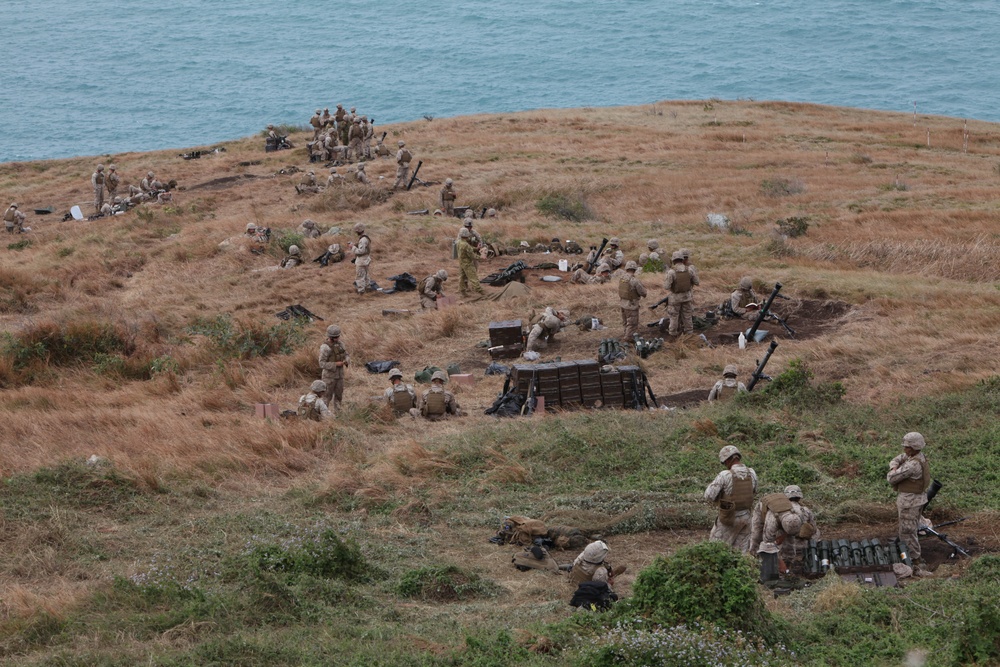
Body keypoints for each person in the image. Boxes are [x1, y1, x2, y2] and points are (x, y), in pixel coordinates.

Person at [887, 432, 931, 569]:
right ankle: (912, 555)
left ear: (912, 448)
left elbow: (891, 478)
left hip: (909, 502)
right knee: (911, 529)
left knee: (907, 531)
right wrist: (895, 465)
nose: (904, 449)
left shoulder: (912, 465)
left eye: (906, 447)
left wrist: (893, 469)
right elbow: (898, 458)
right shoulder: (917, 457)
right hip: (916, 500)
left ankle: (914, 559)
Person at [704, 445, 758, 552]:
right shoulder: (752, 473)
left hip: (729, 518)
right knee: (740, 553)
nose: (725, 465)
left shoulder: (725, 475)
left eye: (724, 463)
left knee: (716, 550)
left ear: (728, 460)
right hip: (747, 518)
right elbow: (754, 492)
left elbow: (709, 496)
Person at [749, 490, 810, 557]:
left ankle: (789, 559)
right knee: (757, 535)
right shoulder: (772, 521)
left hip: (784, 516)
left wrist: (784, 536)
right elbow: (768, 543)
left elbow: (803, 528)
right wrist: (780, 562)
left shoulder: (799, 513)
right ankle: (754, 556)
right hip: (763, 510)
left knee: (789, 541)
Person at [662, 250, 698, 336]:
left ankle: (673, 333)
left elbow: (666, 286)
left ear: (674, 260)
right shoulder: (689, 270)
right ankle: (689, 331)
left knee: (674, 316)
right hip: (687, 296)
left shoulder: (671, 272)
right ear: (682, 259)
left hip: (675, 298)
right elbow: (697, 282)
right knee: (687, 315)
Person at [780, 485, 820, 560]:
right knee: (817, 531)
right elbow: (813, 529)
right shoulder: (806, 510)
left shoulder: (782, 511)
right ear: (799, 497)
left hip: (786, 547)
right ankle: (812, 547)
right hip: (804, 546)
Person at [318, 325, 349, 410]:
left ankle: (338, 414)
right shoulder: (325, 347)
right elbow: (321, 363)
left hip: (340, 376)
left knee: (339, 397)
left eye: (337, 337)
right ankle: (324, 415)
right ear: (330, 337)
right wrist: (335, 364)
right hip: (329, 377)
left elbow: (346, 354)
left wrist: (346, 360)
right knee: (326, 398)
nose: (337, 339)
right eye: (335, 337)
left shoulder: (341, 344)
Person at [618, 261, 646, 341]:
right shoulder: (635, 281)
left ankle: (626, 333)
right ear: (635, 269)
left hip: (623, 304)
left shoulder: (622, 279)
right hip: (631, 305)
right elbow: (643, 292)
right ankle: (628, 338)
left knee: (625, 322)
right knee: (632, 324)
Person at [457, 228, 483, 297]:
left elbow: (469, 249)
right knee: (473, 277)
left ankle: (463, 292)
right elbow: (472, 255)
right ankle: (480, 291)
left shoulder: (459, 242)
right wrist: (481, 257)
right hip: (467, 264)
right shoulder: (466, 245)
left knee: (462, 277)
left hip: (461, 263)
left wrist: (476, 248)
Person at [349, 222, 372, 294]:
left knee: (360, 277)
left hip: (362, 260)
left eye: (356, 231)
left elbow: (361, 251)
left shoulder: (363, 240)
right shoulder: (365, 238)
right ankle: (368, 288)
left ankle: (361, 291)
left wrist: (352, 247)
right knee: (366, 275)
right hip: (366, 259)